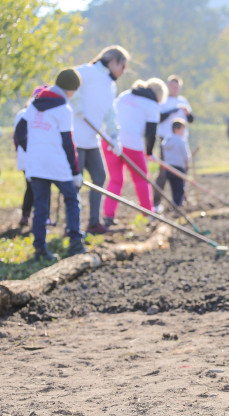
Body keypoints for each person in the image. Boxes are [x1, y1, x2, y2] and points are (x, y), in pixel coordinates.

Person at [14, 68, 85, 261]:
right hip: (57, 164)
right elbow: (68, 143)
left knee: (41, 206)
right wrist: (75, 171)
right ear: (70, 90)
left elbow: (20, 132)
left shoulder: (34, 105)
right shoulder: (63, 109)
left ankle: (40, 249)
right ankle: (75, 243)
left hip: (36, 164)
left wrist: (34, 150)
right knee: (71, 199)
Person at [70, 45, 129, 234]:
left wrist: (114, 136)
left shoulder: (110, 85)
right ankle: (71, 227)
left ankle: (94, 223)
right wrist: (76, 104)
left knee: (99, 177)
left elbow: (110, 112)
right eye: (123, 66)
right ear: (113, 62)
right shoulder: (86, 71)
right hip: (76, 138)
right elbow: (69, 82)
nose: (123, 71)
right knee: (75, 182)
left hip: (92, 139)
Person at [102, 78, 168, 224]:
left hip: (109, 139)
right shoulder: (152, 105)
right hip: (131, 144)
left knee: (115, 179)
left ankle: (108, 216)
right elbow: (151, 133)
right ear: (159, 95)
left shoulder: (126, 95)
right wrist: (149, 152)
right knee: (141, 179)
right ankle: (148, 213)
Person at [153, 75, 193, 212]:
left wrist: (187, 113)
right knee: (164, 172)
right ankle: (157, 201)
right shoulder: (163, 101)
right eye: (172, 86)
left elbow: (191, 119)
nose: (174, 89)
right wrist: (173, 111)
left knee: (182, 171)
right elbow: (158, 118)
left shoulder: (183, 101)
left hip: (181, 141)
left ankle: (180, 199)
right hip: (166, 140)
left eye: (177, 86)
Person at [13, 85, 48, 227]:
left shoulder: (23, 113)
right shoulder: (33, 113)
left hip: (25, 156)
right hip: (32, 156)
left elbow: (16, 138)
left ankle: (26, 215)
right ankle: (40, 217)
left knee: (31, 186)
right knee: (39, 187)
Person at [161, 118, 191, 207]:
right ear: (176, 129)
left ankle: (175, 204)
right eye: (183, 129)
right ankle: (178, 206)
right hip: (179, 168)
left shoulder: (166, 141)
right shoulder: (181, 141)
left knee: (174, 188)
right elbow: (186, 155)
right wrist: (187, 162)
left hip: (169, 168)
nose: (184, 132)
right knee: (180, 188)